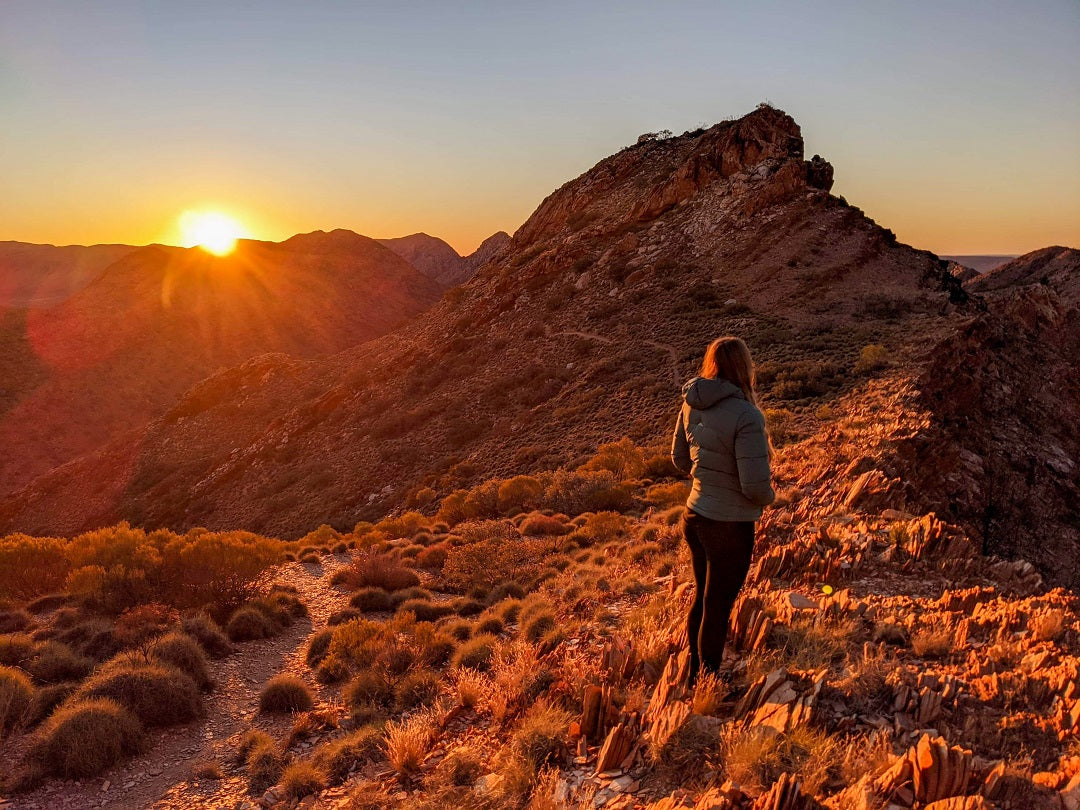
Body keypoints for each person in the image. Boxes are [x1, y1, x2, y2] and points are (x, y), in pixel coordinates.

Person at [671, 336, 775, 687]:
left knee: (703, 598)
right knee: (717, 606)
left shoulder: (690, 402)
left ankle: (694, 675)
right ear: (744, 367)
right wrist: (769, 499)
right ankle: (707, 684)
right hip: (729, 525)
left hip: (695, 515)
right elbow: (754, 486)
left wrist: (707, 476)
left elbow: (680, 459)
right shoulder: (746, 414)